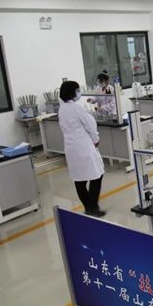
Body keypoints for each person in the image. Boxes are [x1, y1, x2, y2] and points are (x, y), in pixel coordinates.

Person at [59, 81, 105, 217]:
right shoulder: (76, 108)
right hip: (83, 146)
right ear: (72, 92)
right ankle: (92, 207)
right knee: (97, 175)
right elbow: (90, 124)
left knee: (79, 179)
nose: (79, 93)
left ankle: (88, 207)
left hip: (71, 148)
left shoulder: (62, 109)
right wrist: (96, 139)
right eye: (77, 90)